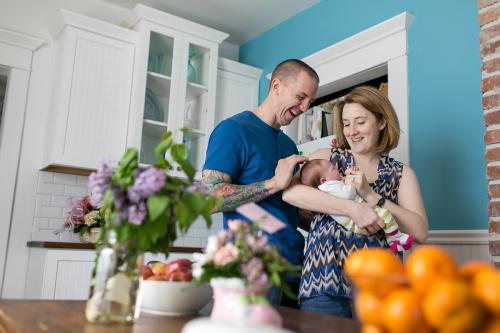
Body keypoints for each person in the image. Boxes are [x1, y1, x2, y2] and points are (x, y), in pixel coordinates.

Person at [282, 86, 428, 318]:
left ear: (381, 122)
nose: (352, 131)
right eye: (347, 123)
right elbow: (291, 194)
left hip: (380, 288)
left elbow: (420, 231)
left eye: (360, 122)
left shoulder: (401, 173)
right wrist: (354, 208)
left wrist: (371, 196)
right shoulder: (328, 158)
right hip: (323, 281)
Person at [202, 59, 319, 306]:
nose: (305, 107)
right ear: (276, 85)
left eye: (310, 101)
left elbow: (285, 210)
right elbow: (207, 198)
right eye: (300, 96)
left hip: (296, 266)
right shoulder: (234, 130)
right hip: (253, 270)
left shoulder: (288, 145)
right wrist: (273, 184)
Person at [299, 159, 414, 252]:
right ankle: (395, 238)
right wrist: (351, 184)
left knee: (384, 216)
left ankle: (393, 237)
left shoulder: (328, 186)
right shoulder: (328, 187)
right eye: (333, 168)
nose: (337, 168)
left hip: (358, 218)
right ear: (324, 180)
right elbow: (347, 193)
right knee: (386, 215)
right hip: (354, 223)